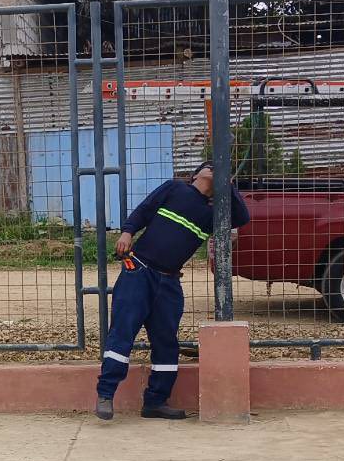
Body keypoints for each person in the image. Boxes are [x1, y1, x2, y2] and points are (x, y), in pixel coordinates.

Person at [95, 161, 250, 421]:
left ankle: (155, 402)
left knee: (166, 342)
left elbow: (243, 217)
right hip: (139, 272)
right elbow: (144, 209)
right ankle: (105, 395)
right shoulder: (175, 189)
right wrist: (127, 232)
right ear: (196, 175)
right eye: (210, 167)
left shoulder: (212, 214)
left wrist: (229, 186)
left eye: (220, 169)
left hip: (169, 283)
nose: (215, 170)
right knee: (122, 332)